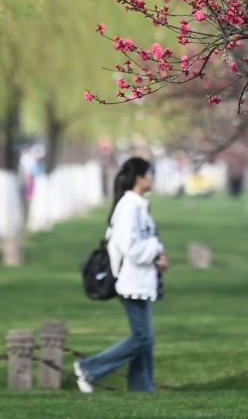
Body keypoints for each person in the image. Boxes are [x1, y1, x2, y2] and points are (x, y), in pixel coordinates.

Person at [74, 157, 168, 393]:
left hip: (141, 279)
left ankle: (141, 388)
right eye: (150, 173)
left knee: (146, 337)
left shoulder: (138, 205)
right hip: (130, 280)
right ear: (139, 177)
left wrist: (157, 254)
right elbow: (130, 246)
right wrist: (155, 250)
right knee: (142, 338)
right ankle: (88, 369)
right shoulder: (129, 207)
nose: (152, 178)